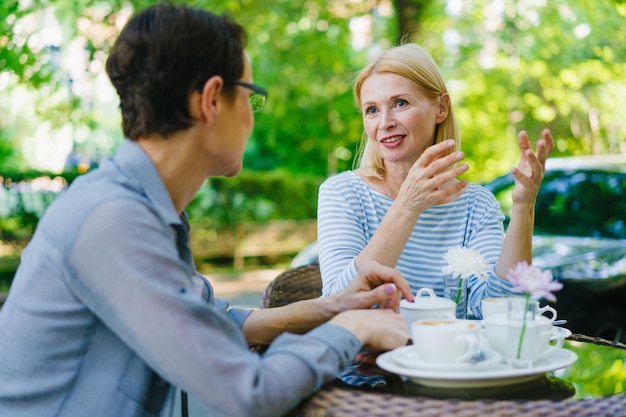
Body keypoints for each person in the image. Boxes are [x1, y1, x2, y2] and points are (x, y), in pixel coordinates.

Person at [0, 5, 415, 417]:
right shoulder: (112, 220)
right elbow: (247, 393)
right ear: (212, 99)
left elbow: (218, 321)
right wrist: (353, 329)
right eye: (251, 97)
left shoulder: (141, 208)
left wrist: (335, 307)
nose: (252, 117)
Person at [318, 43, 554, 324]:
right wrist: (408, 205)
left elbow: (504, 309)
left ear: (441, 108)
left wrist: (524, 205)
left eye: (400, 103)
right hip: (368, 367)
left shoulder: (476, 206)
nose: (385, 122)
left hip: (454, 363)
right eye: (371, 110)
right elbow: (337, 304)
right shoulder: (342, 193)